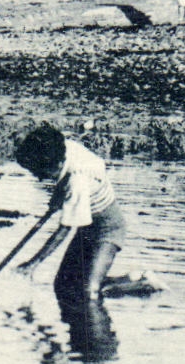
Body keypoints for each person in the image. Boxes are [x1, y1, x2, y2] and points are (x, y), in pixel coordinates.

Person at [15, 125, 126, 306]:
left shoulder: (78, 182)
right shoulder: (63, 147)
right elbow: (65, 176)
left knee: (89, 291)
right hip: (87, 227)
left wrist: (34, 262)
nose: (39, 178)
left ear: (54, 164)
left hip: (108, 228)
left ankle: (141, 283)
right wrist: (56, 198)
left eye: (40, 172)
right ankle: (102, 275)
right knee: (63, 285)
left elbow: (64, 229)